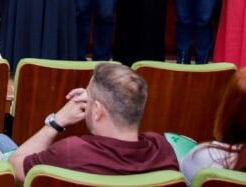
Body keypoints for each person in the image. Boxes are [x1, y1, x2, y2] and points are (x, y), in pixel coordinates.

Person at [10, 62, 178, 182]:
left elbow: (14, 168)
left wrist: (57, 121)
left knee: (1, 141)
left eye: (88, 95)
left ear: (97, 110)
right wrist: (95, 98)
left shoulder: (71, 153)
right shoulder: (162, 150)